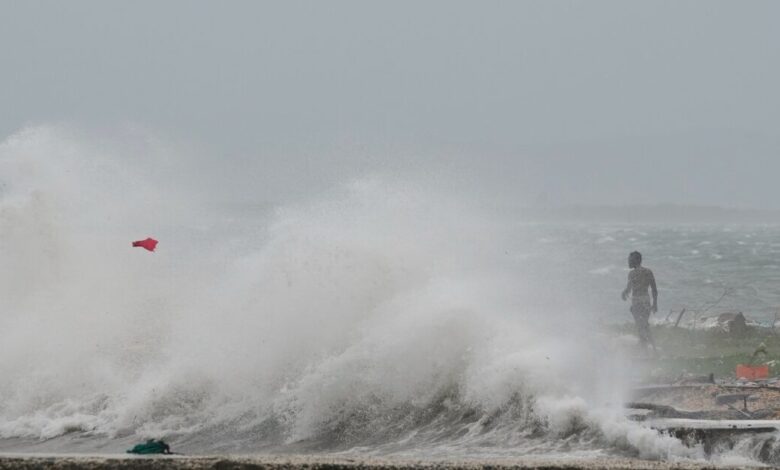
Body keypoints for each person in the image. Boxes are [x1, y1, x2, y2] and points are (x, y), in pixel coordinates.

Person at [621, 251, 658, 353]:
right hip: (646, 302)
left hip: (637, 303)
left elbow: (629, 289)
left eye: (630, 259)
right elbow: (654, 290)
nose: (628, 261)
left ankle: (645, 350)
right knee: (645, 326)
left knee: (641, 327)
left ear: (636, 260)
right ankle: (653, 349)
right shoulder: (648, 271)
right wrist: (655, 304)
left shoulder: (632, 273)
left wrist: (623, 293)